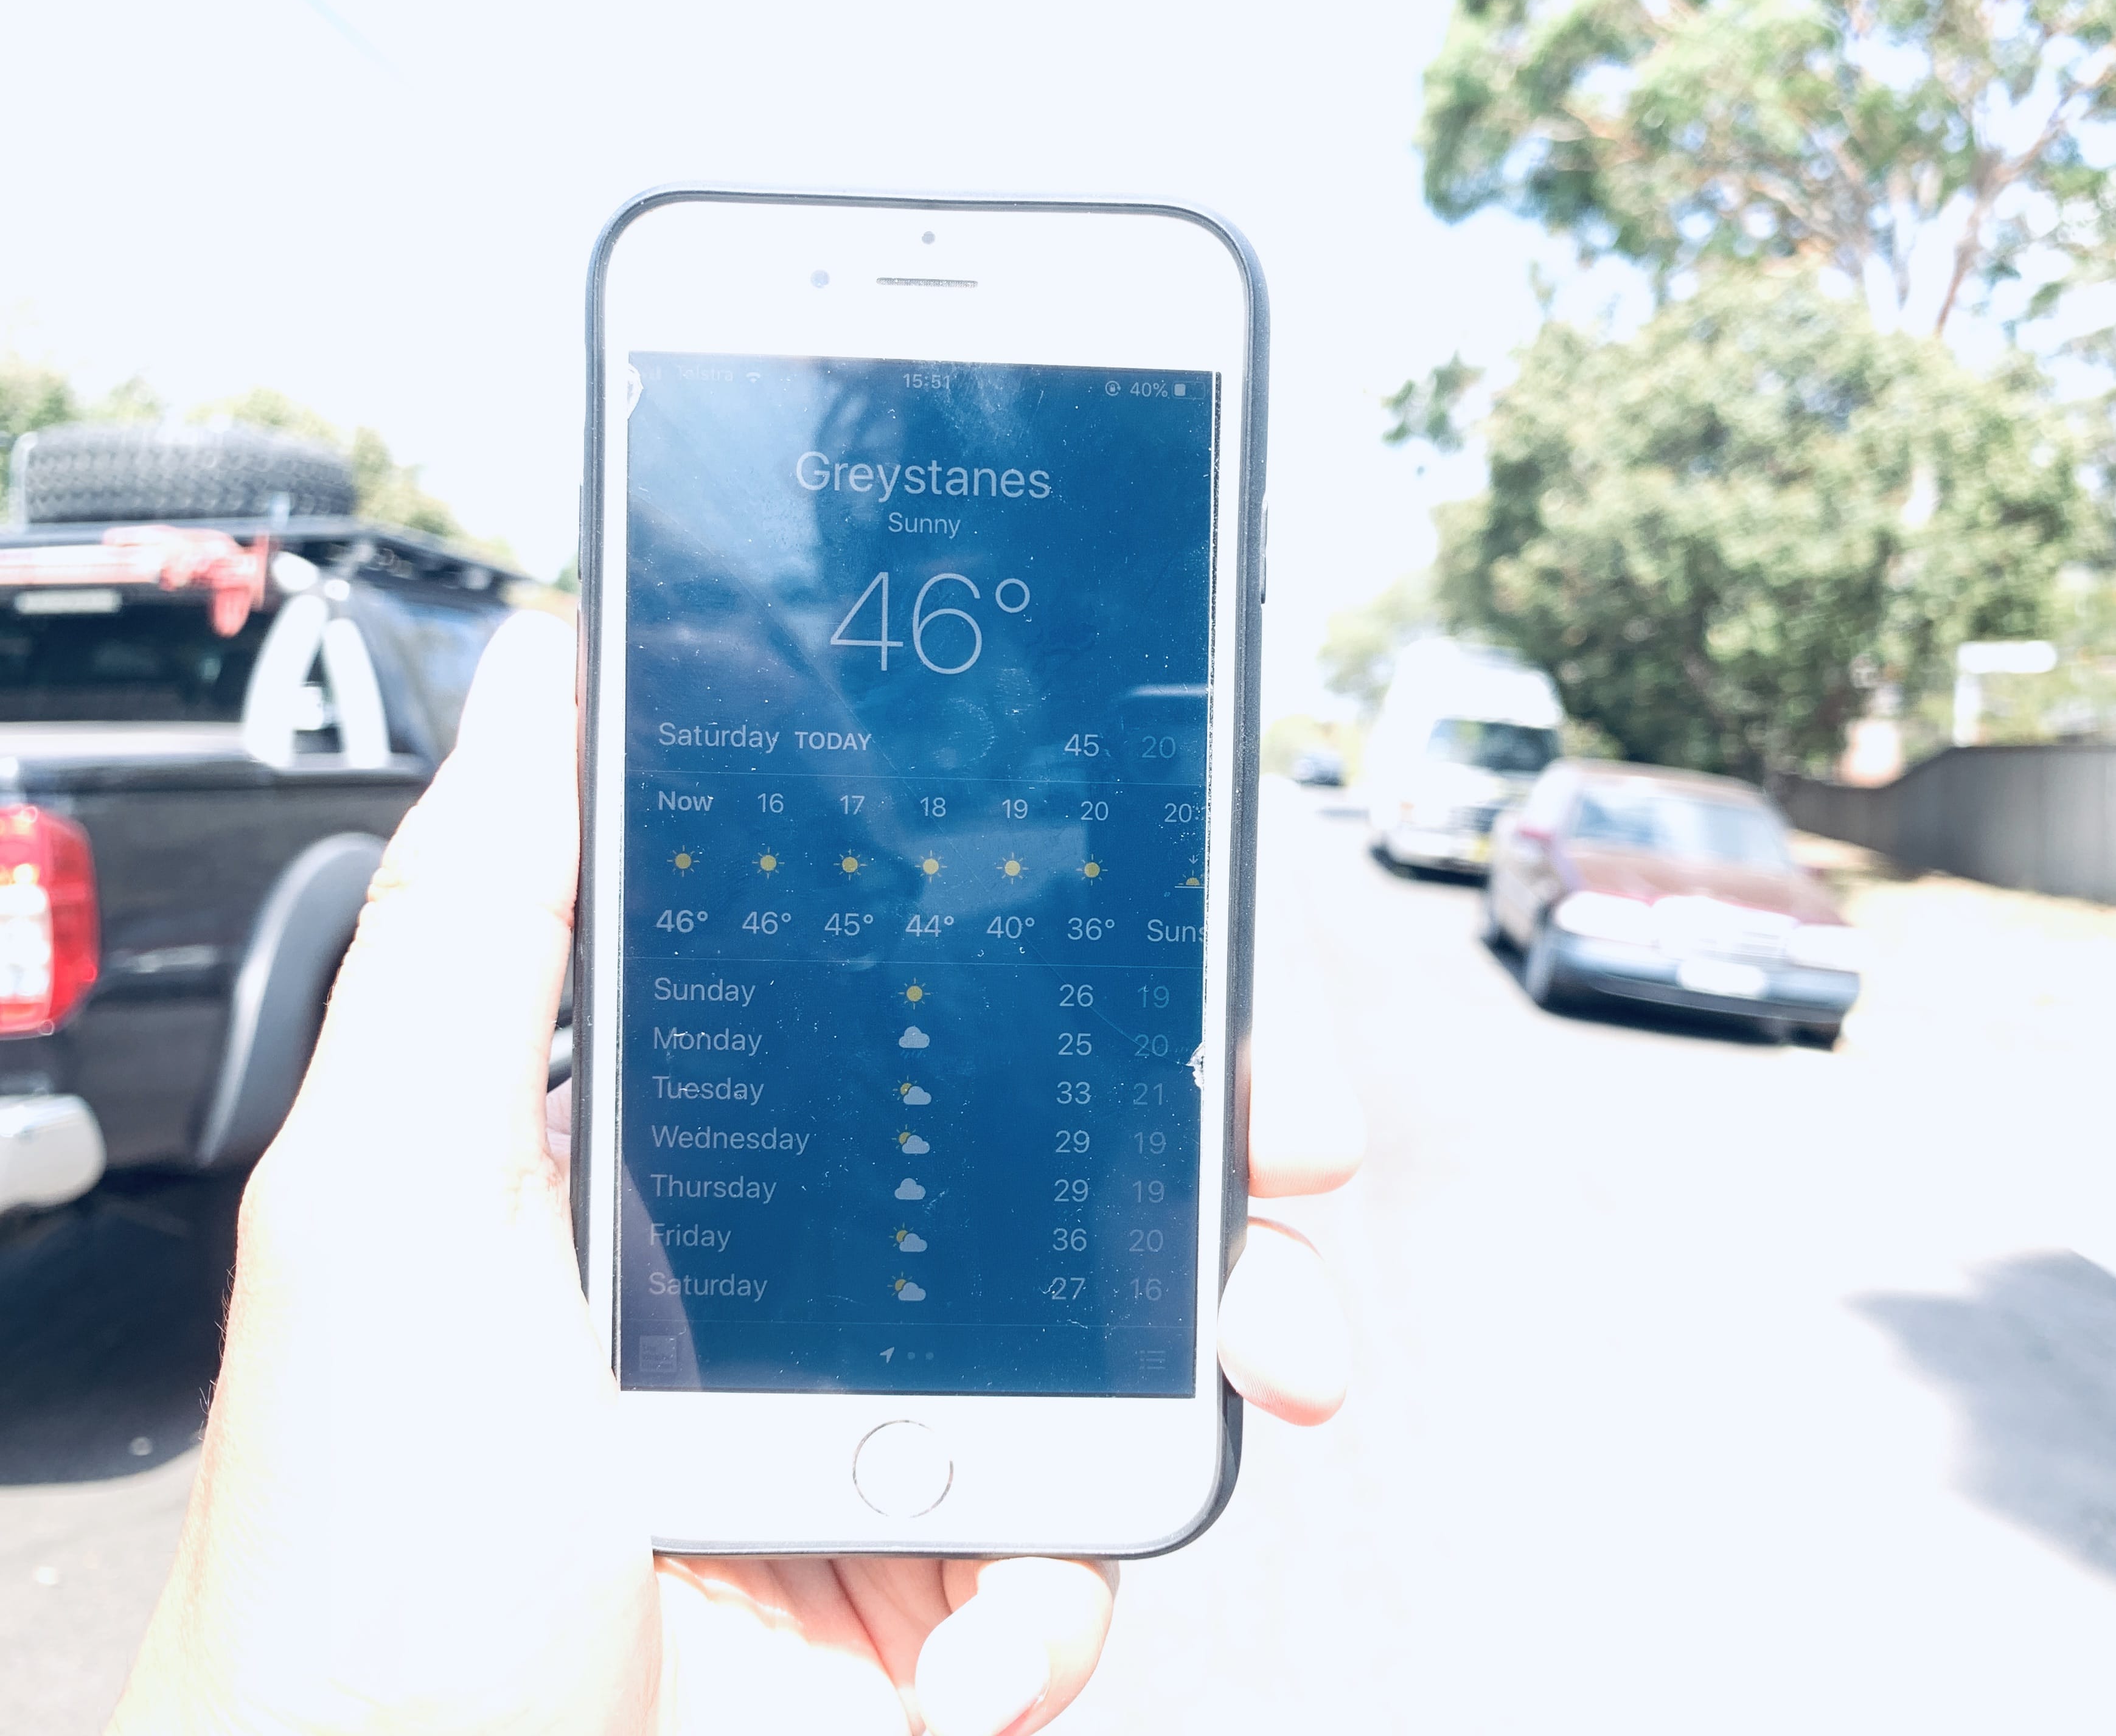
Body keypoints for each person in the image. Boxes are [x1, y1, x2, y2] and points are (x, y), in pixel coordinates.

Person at [106, 615, 1359, 1736]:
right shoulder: (575, 1168)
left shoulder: (989, 1048)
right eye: (704, 843)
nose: (784, 909)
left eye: (831, 850)